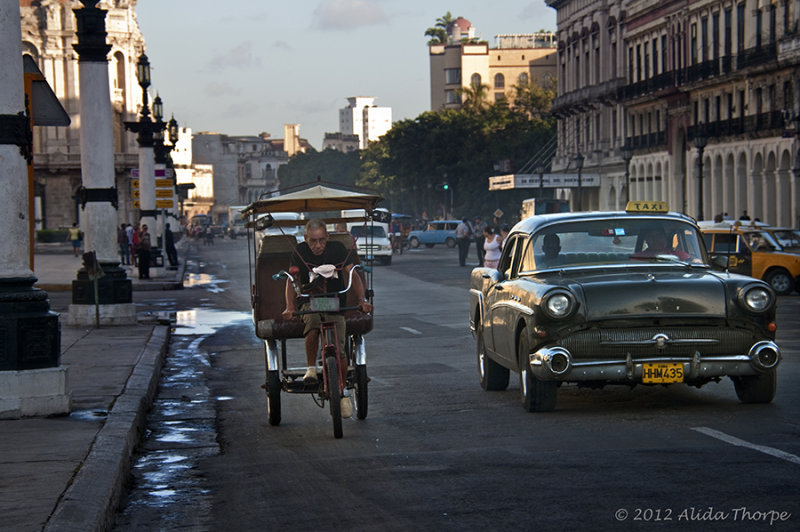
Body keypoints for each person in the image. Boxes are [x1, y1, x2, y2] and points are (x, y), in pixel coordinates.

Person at [281, 219, 372, 418]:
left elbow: (353, 274)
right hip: (309, 301)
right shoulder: (300, 252)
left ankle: (342, 388)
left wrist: (362, 300)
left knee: (340, 343)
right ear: (306, 239)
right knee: (313, 325)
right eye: (313, 241)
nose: (318, 245)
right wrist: (289, 307)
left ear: (327, 237)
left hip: (334, 301)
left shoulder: (338, 249)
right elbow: (291, 280)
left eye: (322, 240)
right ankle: (311, 368)